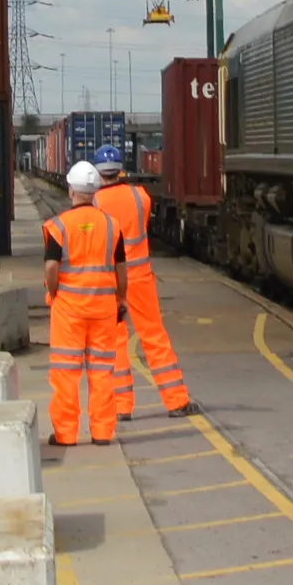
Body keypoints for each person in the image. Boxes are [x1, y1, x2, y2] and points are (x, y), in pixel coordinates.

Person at [92, 144, 197, 419]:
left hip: (110, 282)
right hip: (140, 278)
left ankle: (122, 406)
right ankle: (176, 400)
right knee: (153, 336)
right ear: (120, 168)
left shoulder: (95, 204)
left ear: (98, 173)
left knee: (115, 341)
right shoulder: (140, 197)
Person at [42, 160, 128, 447]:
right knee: (102, 371)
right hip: (103, 309)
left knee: (66, 373)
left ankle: (66, 434)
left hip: (69, 310)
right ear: (94, 192)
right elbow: (121, 270)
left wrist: (54, 294)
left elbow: (51, 267)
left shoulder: (58, 226)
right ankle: (102, 432)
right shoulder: (111, 226)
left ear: (71, 191)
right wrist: (120, 299)